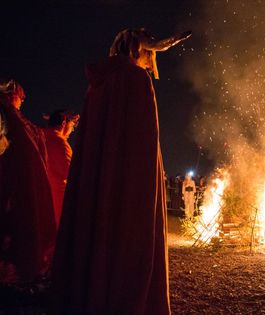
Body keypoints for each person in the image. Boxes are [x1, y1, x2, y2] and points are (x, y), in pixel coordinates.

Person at [51, 28, 191, 315]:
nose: (149, 63)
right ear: (142, 51)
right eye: (149, 55)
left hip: (100, 180)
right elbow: (143, 141)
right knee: (129, 232)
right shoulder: (136, 79)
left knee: (99, 221)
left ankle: (90, 288)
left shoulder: (100, 81)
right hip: (129, 183)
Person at [0, 79, 56, 282]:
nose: (22, 99)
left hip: (26, 181)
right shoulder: (7, 115)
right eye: (19, 95)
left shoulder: (17, 118)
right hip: (12, 178)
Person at [42, 110, 80, 226]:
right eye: (72, 125)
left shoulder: (40, 137)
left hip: (42, 201)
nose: (72, 130)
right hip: (60, 203)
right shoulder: (60, 143)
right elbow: (73, 175)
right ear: (64, 122)